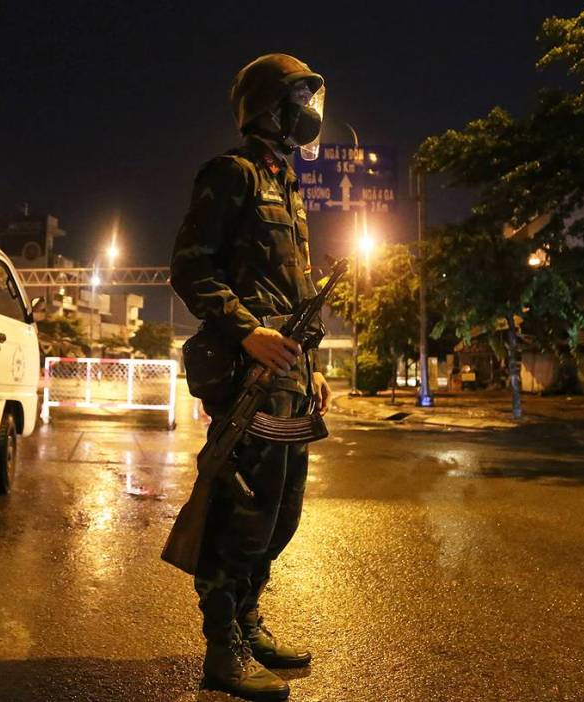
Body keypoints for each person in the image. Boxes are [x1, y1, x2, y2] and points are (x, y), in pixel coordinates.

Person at [170, 53, 332, 702]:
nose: (310, 111)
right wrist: (246, 331)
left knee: (281, 515)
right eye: (299, 98)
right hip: (248, 375)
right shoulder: (231, 174)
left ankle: (248, 619)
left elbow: (295, 294)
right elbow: (191, 268)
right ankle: (222, 647)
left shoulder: (286, 186)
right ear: (268, 105)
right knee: (241, 515)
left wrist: (313, 369)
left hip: (290, 376)